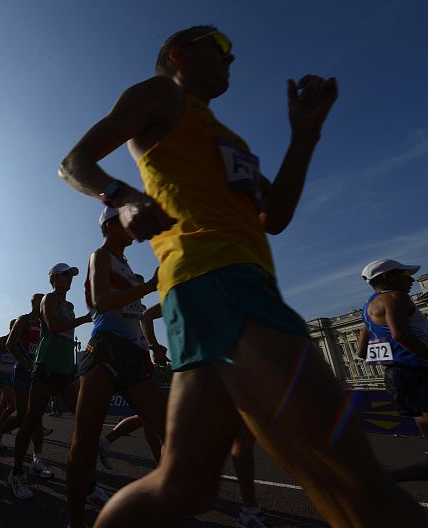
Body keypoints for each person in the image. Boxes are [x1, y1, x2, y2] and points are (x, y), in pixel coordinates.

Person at [59, 24, 427, 527]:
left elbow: (273, 215)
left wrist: (305, 135)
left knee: (184, 485)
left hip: (220, 289)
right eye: (222, 47)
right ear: (180, 54)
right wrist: (122, 198)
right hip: (218, 280)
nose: (232, 59)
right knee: (352, 476)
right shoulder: (161, 93)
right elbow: (74, 162)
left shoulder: (227, 137)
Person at [67, 207, 167, 527]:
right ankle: (76, 521)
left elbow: (132, 314)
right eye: (128, 220)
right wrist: (150, 287)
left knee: (169, 432)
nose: (134, 227)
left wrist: (150, 345)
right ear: (111, 224)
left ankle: (159, 501)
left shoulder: (125, 264)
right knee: (84, 442)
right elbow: (100, 301)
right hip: (105, 350)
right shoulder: (100, 256)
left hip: (133, 355)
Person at [7, 263, 91, 500]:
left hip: (66, 368)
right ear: (54, 278)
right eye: (66, 275)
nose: (70, 279)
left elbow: (67, 334)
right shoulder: (48, 300)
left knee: (83, 419)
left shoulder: (70, 306)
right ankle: (16, 472)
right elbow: (54, 328)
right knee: (31, 419)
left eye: (71, 275)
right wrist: (85, 319)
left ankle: (86, 480)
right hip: (46, 366)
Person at [358, 259, 428, 482]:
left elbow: (361, 350)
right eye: (404, 274)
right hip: (417, 371)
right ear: (387, 277)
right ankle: (378, 481)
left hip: (396, 376)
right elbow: (400, 334)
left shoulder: (368, 308)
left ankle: (379, 481)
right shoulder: (395, 298)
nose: (410, 279)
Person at [0, 294, 45, 458]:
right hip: (22, 372)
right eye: (38, 300)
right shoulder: (24, 320)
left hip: (39, 373)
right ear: (33, 302)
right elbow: (10, 344)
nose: (41, 303)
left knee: (37, 416)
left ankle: (37, 459)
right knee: (22, 416)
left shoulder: (46, 323)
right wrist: (26, 363)